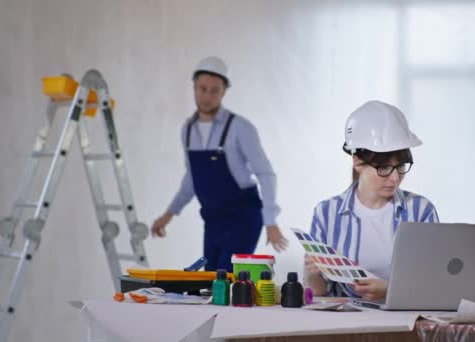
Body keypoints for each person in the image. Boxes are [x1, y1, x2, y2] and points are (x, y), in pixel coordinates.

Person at [151, 56, 288, 271]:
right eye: (202, 88)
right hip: (213, 219)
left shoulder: (240, 128)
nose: (207, 96)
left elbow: (265, 173)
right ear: (194, 87)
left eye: (214, 90)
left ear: (224, 92)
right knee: (212, 282)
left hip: (243, 216)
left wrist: (270, 221)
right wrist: (168, 215)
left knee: (227, 280)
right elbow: (192, 179)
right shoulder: (187, 130)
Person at [304, 100, 439, 300]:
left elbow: (436, 284)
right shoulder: (326, 214)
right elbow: (319, 293)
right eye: (384, 168)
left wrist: (391, 290)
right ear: (358, 161)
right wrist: (311, 275)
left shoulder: (420, 210)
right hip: (344, 323)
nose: (395, 178)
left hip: (406, 322)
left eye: (401, 166)